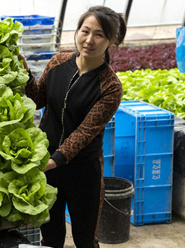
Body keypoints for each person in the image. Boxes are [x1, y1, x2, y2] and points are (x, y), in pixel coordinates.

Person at [20, 5, 127, 248]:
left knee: (85, 239)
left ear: (111, 40)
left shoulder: (110, 86)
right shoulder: (58, 61)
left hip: (83, 172)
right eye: (85, 31)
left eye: (99, 35)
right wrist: (26, 74)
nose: (89, 40)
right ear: (77, 31)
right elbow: (38, 100)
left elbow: (85, 133)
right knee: (51, 237)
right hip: (48, 165)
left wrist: (53, 160)